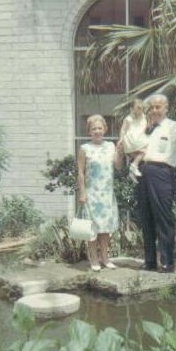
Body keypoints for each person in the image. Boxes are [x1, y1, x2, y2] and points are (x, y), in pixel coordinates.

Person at [133, 94, 176, 273]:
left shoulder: (174, 127)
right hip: (142, 172)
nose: (154, 110)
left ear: (166, 108)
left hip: (162, 173)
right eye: (151, 107)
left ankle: (167, 262)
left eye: (158, 107)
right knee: (146, 218)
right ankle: (150, 261)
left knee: (163, 218)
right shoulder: (145, 128)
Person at [78, 114, 124, 272]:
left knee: (105, 229)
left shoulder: (110, 146)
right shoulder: (85, 148)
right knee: (92, 230)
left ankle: (105, 258)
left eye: (99, 128)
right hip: (92, 194)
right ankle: (94, 259)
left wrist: (119, 151)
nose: (97, 131)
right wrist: (82, 193)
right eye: (93, 129)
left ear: (105, 129)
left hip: (106, 194)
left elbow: (118, 166)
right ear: (89, 131)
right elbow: (80, 172)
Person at [118, 98, 149, 182]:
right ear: (132, 109)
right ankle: (134, 165)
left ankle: (133, 170)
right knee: (145, 150)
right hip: (133, 139)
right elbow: (123, 129)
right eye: (138, 108)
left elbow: (146, 126)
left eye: (141, 108)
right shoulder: (128, 119)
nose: (140, 111)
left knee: (142, 155)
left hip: (137, 139)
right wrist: (121, 139)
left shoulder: (144, 117)